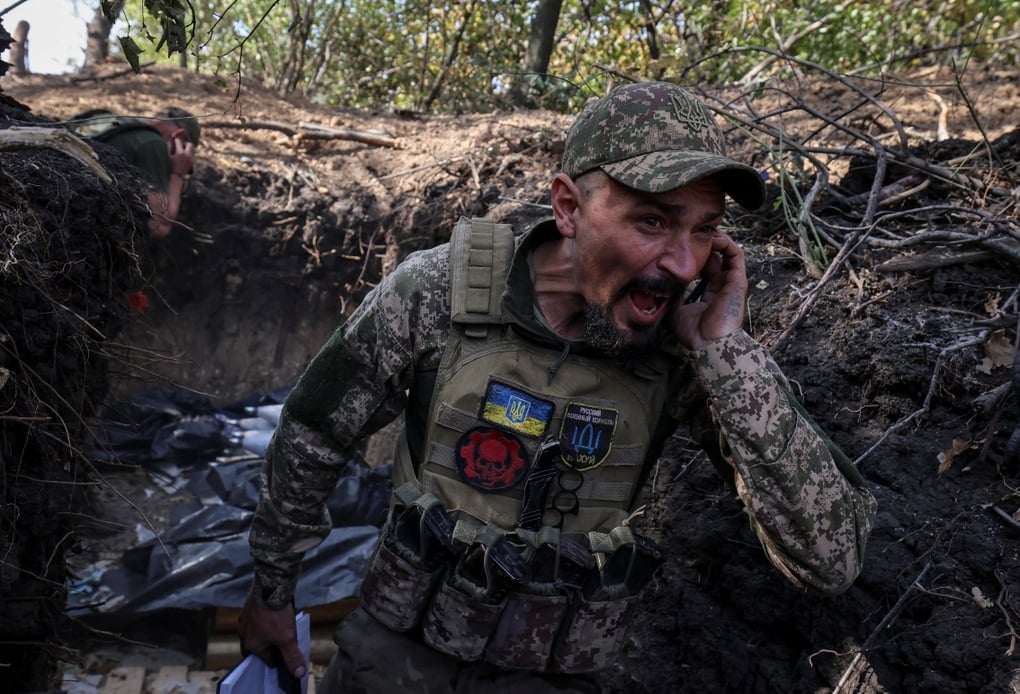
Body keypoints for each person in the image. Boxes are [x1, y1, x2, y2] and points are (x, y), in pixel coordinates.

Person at [238, 81, 878, 693]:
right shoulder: (435, 294)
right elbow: (314, 434)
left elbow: (830, 560)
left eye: (705, 228)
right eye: (653, 221)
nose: (684, 263)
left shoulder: (690, 349)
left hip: (555, 676)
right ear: (569, 207)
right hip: (392, 659)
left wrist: (724, 354)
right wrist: (272, 589)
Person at [73, 107, 199, 238]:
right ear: (179, 136)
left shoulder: (109, 122)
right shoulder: (153, 142)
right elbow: (158, 226)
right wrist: (177, 174)